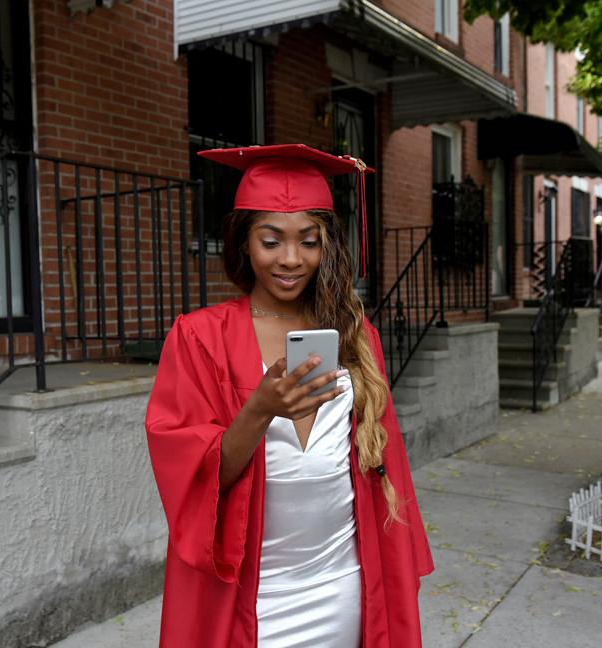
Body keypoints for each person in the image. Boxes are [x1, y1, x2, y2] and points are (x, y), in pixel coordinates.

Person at [145, 144, 433, 648]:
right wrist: (259, 409)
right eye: (271, 241)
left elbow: (384, 465)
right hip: (252, 591)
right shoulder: (198, 338)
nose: (291, 259)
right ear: (243, 243)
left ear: (328, 245)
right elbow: (192, 480)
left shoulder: (355, 335)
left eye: (309, 240)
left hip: (343, 584)